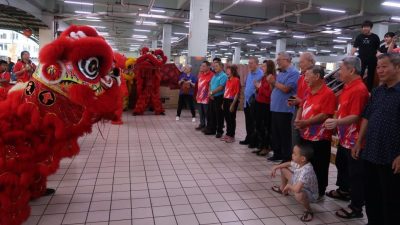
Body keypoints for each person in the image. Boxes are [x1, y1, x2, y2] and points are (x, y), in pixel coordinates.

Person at [352, 53, 400, 225]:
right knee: (372, 196)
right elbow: (367, 116)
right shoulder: (377, 92)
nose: (379, 70)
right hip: (371, 152)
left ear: (398, 68)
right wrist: (359, 141)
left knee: (392, 200)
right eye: (378, 67)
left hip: (391, 157)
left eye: (384, 66)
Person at [324, 57, 369, 219]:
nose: (338, 73)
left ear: (351, 70)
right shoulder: (348, 87)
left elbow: (356, 116)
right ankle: (344, 190)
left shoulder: (359, 90)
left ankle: (356, 207)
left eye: (341, 69)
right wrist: (338, 124)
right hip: (345, 137)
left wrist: (337, 121)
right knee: (342, 165)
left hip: (355, 140)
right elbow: (344, 110)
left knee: (356, 174)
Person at [295, 65, 336, 199]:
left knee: (320, 165)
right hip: (305, 134)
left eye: (307, 75)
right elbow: (301, 106)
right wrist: (298, 119)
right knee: (306, 163)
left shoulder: (328, 93)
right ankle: (305, 188)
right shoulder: (308, 90)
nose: (304, 78)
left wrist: (306, 123)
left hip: (320, 137)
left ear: (317, 76)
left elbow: (325, 115)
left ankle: (319, 192)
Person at [270, 143, 319, 222]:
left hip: (310, 193)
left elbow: (296, 189)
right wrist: (276, 167)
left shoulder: (306, 171)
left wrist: (289, 186)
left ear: (303, 158)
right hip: (298, 182)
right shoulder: (300, 163)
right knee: (283, 168)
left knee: (298, 194)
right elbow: (289, 163)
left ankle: (308, 210)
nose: (292, 155)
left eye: (294, 154)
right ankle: (282, 188)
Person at [268, 52, 299, 162]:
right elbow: (277, 87)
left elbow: (286, 89)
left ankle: (286, 157)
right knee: (276, 133)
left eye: (279, 59)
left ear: (287, 60)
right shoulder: (281, 72)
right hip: (276, 107)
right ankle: (277, 153)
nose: (277, 61)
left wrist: (273, 82)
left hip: (285, 109)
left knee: (284, 134)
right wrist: (272, 83)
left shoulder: (294, 73)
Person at [288, 52, 316, 148]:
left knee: (302, 140)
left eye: (302, 62)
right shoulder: (301, 78)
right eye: (299, 62)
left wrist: (299, 101)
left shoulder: (315, 79)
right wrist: (293, 100)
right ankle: (295, 159)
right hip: (298, 109)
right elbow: (300, 94)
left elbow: (313, 100)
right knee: (295, 138)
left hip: (307, 113)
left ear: (311, 62)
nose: (300, 64)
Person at [239, 56, 263, 149]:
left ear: (257, 64)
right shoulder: (250, 73)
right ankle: (248, 138)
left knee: (255, 123)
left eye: (251, 63)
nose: (249, 65)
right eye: (249, 63)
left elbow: (258, 89)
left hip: (255, 102)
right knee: (248, 122)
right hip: (247, 102)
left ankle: (255, 141)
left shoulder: (260, 74)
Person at [253, 59, 275, 156]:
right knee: (258, 125)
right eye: (262, 66)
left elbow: (269, 94)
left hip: (266, 105)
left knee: (265, 126)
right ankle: (261, 145)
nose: (262, 67)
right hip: (259, 103)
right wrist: (258, 88)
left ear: (269, 67)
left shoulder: (271, 78)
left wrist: (259, 87)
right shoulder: (263, 77)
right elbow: (260, 91)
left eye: (264, 66)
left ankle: (266, 146)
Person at [351, 20, 380, 91]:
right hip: (361, 59)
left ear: (370, 28)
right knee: (359, 74)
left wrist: (379, 56)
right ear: (362, 28)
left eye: (367, 27)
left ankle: (368, 90)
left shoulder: (375, 37)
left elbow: (378, 49)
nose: (365, 28)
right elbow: (354, 47)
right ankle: (358, 88)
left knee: (371, 75)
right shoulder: (359, 37)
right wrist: (350, 57)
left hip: (372, 59)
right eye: (364, 27)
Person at [203, 61, 227, 138]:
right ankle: (212, 129)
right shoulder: (215, 75)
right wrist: (210, 93)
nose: (215, 67)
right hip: (212, 97)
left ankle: (219, 131)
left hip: (219, 98)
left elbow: (221, 87)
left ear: (221, 67)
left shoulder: (224, 76)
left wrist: (212, 93)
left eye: (216, 66)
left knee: (219, 115)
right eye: (214, 66)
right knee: (211, 114)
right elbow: (210, 84)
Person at [222, 64, 240, 143]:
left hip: (231, 101)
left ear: (233, 72)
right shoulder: (228, 80)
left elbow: (237, 93)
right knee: (227, 119)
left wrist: (233, 104)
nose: (227, 72)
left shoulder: (236, 80)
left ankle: (232, 136)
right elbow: (226, 92)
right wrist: (223, 102)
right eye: (227, 71)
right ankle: (228, 134)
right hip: (226, 100)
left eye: (229, 71)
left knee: (231, 119)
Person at [195, 61, 214, 131]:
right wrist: (197, 94)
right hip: (199, 97)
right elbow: (199, 86)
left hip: (206, 97)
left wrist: (210, 94)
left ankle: (208, 126)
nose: (201, 67)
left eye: (203, 66)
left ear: (208, 67)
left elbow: (212, 87)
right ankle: (202, 124)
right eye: (201, 66)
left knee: (207, 113)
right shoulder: (200, 74)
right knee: (201, 112)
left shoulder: (212, 75)